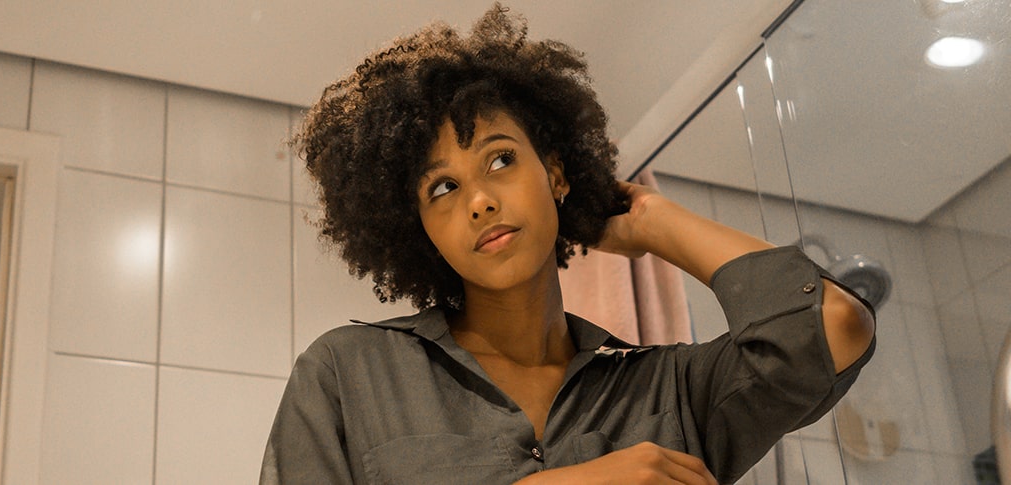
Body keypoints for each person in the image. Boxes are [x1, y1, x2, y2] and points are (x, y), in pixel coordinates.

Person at [260, 4, 875, 484]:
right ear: (417, 226)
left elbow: (834, 324)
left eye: (500, 159)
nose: (478, 200)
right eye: (442, 187)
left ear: (555, 173)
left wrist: (653, 222)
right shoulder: (349, 371)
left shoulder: (672, 392)